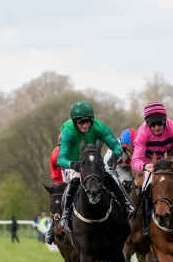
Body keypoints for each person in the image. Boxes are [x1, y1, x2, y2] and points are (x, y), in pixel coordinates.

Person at [55, 100, 134, 236]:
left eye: (88, 121)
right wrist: (73, 165)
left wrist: (115, 155)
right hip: (75, 164)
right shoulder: (67, 131)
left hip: (94, 163)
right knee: (74, 181)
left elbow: (116, 145)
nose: (86, 125)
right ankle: (66, 216)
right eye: (81, 122)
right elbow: (60, 159)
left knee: (109, 177)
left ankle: (126, 204)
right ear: (74, 122)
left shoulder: (98, 127)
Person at [104, 128, 137, 192]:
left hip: (128, 166)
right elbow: (109, 172)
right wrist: (123, 181)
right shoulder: (111, 152)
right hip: (115, 167)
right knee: (128, 184)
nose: (136, 147)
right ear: (125, 144)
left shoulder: (137, 145)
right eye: (133, 146)